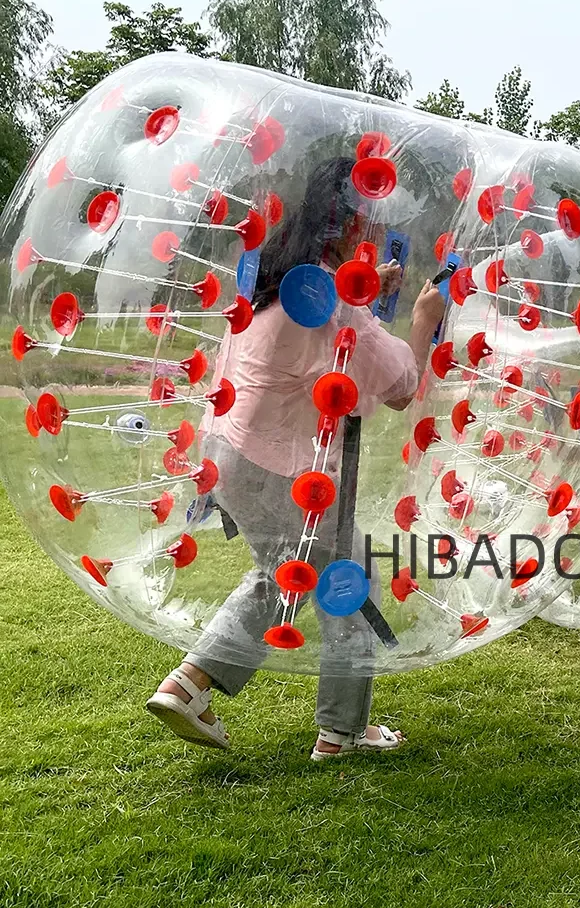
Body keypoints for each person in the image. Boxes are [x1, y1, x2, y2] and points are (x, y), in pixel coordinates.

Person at [146, 157, 445, 759]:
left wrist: (365, 290)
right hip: (280, 470)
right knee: (345, 578)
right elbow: (402, 386)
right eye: (366, 223)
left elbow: (326, 329)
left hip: (226, 453)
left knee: (286, 571)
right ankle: (341, 733)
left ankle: (189, 687)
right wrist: (422, 321)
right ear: (349, 230)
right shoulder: (337, 310)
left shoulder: (278, 282)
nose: (370, 234)